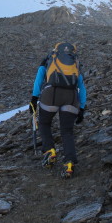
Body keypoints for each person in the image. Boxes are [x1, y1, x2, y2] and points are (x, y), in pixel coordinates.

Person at [29, 42, 86, 178]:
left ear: (56, 49)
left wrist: (34, 98)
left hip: (51, 94)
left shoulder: (50, 58)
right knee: (67, 131)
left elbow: (39, 78)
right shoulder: (75, 62)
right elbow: (82, 87)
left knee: (44, 123)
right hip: (71, 97)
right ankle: (69, 164)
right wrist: (82, 107)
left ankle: (50, 150)